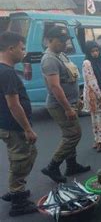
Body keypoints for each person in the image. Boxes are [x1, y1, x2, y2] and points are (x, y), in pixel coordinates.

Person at [40, 26, 90, 183]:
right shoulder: (49, 59)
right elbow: (55, 87)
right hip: (59, 105)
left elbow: (70, 78)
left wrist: (77, 99)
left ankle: (72, 165)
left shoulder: (60, 55)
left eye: (65, 40)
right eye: (61, 41)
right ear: (49, 40)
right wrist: (68, 107)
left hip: (70, 101)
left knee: (70, 134)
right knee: (73, 134)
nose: (64, 43)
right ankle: (52, 166)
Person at [0, 32, 38, 216]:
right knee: (21, 159)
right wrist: (27, 129)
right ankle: (18, 201)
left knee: (20, 157)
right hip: (14, 126)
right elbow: (13, 105)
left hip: (6, 125)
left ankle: (16, 188)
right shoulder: (7, 72)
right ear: (11, 48)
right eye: (22, 49)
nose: (24, 52)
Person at [82, 41, 101, 153]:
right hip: (94, 96)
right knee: (98, 119)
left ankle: (98, 141)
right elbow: (92, 81)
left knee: (97, 118)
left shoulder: (97, 61)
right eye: (92, 51)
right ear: (88, 52)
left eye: (97, 50)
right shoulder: (87, 62)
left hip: (96, 94)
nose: (95, 53)